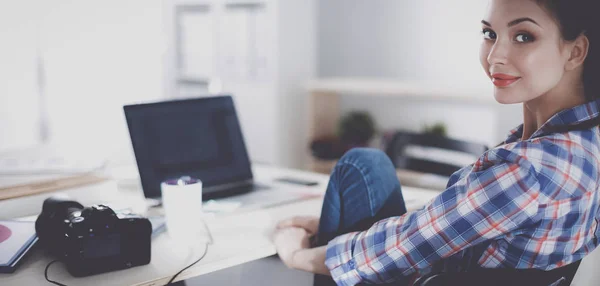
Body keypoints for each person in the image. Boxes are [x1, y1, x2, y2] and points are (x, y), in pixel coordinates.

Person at [272, 0, 600, 285]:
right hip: (453, 267)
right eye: (490, 34)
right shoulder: (582, 143)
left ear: (576, 51)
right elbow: (458, 223)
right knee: (368, 167)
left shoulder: (531, 171)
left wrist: (295, 255)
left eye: (523, 36)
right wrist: (337, 231)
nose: (495, 56)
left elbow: (412, 243)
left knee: (362, 164)